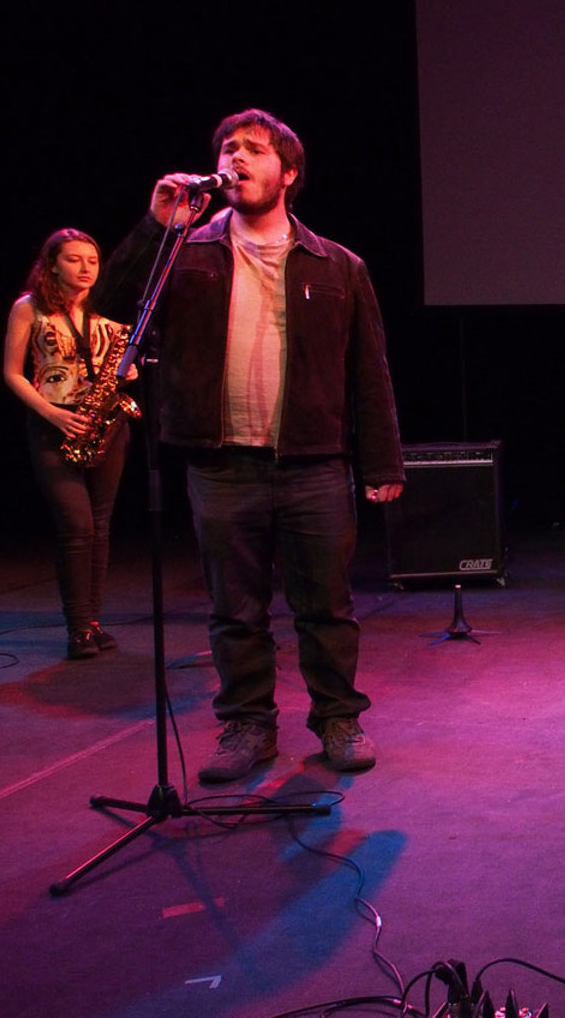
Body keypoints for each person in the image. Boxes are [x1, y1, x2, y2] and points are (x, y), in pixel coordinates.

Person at [95, 108, 405, 780]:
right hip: (221, 462)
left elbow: (368, 371)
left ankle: (338, 719)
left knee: (325, 606)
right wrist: (157, 227)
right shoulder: (189, 253)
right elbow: (114, 307)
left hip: (314, 463)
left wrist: (383, 461)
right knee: (234, 611)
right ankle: (246, 728)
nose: (236, 159)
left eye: (253, 150)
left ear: (288, 173)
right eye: (227, 148)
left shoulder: (337, 266)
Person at [2, 229, 133, 659]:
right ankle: (78, 627)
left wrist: (126, 375)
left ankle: (93, 624)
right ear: (52, 265)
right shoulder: (30, 309)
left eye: (92, 261)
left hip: (104, 426)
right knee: (77, 527)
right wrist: (53, 413)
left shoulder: (104, 313)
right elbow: (13, 373)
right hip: (53, 423)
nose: (86, 268)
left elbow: (119, 364)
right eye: (74, 260)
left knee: (100, 526)